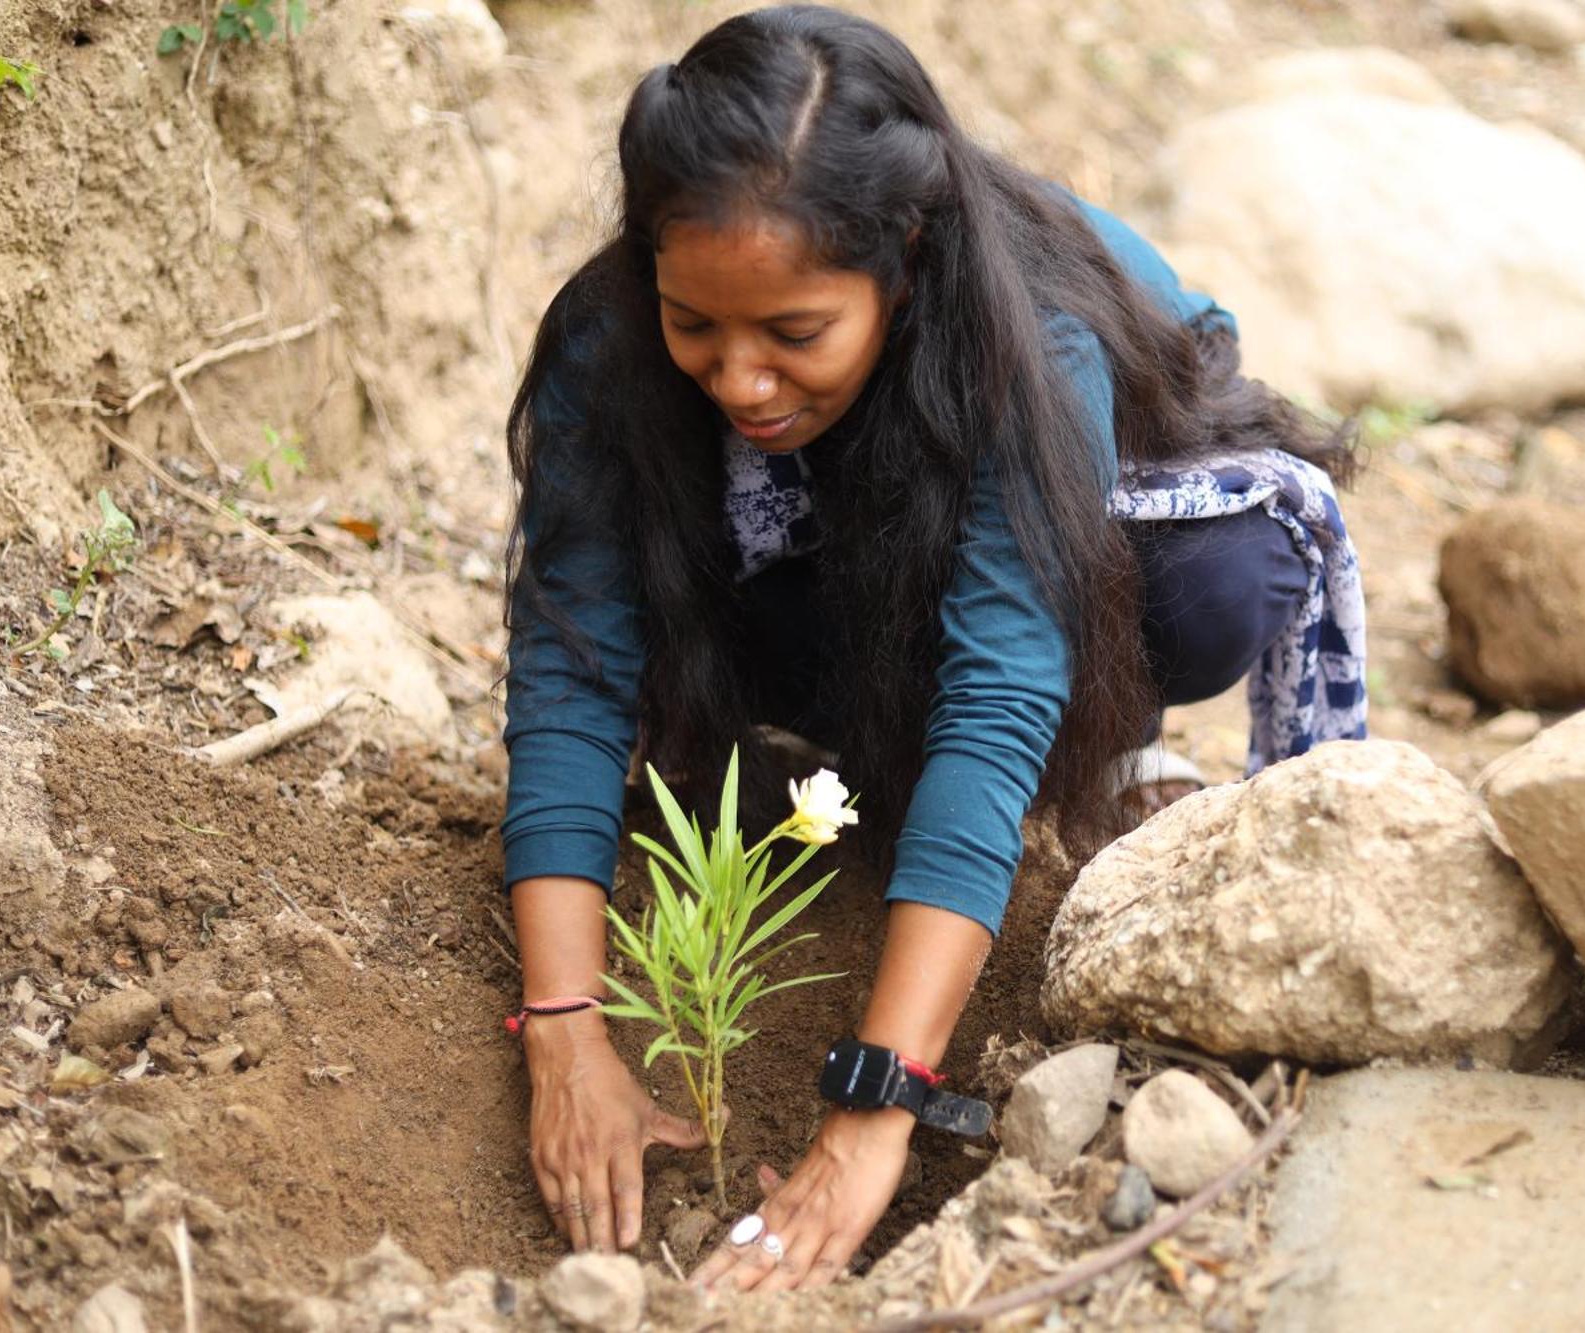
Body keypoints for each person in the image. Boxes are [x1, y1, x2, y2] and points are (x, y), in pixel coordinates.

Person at [499, 4, 1366, 1294]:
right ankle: (850, 725)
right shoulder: (610, 336)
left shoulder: (1032, 331)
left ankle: (1113, 747)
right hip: (823, 542)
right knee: (691, 567)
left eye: (793, 333)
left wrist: (874, 1106)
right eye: (698, 327)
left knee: (1209, 580)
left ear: (900, 254)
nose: (738, 378)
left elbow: (999, 681)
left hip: (1099, 529)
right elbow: (572, 665)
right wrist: (564, 1037)